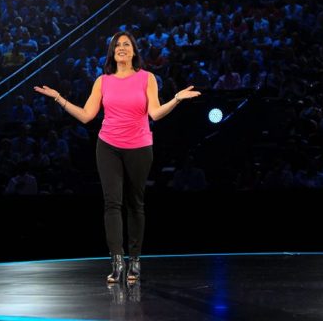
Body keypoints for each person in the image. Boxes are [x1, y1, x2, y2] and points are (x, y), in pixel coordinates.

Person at [34, 31, 200, 284]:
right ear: (112, 52)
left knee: (135, 204)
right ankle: (117, 262)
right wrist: (59, 98)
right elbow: (87, 115)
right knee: (112, 203)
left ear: (133, 51)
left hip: (139, 147)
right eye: (117, 45)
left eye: (126, 44)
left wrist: (176, 98)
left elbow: (155, 114)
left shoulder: (147, 78)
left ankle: (135, 261)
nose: (121, 48)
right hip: (108, 146)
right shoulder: (102, 81)